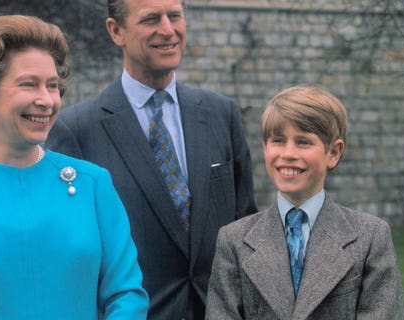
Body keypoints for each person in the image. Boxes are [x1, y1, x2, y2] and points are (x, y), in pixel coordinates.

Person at [0, 15, 148, 319]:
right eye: (29, 85)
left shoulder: (94, 184)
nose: (47, 100)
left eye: (52, 85)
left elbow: (126, 295)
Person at [45, 0, 257, 319]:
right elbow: (70, 253)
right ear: (116, 31)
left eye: (174, 16)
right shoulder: (76, 130)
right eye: (151, 19)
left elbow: (247, 227)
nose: (168, 30)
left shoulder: (221, 114)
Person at [204, 86, 404, 319]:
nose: (288, 153)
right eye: (278, 140)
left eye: (303, 142)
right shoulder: (233, 240)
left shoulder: (370, 237)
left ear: (334, 152)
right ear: (265, 148)